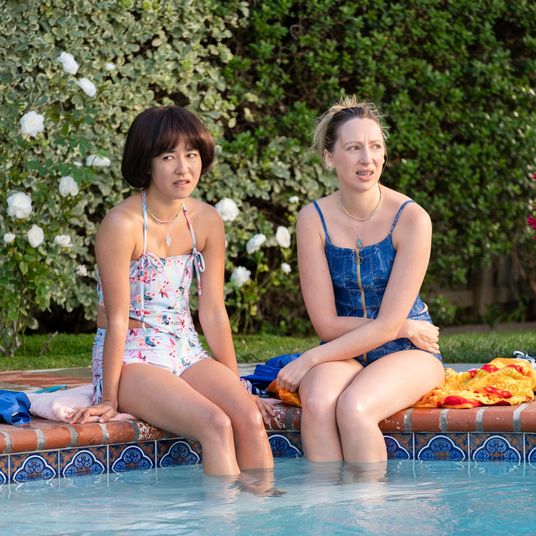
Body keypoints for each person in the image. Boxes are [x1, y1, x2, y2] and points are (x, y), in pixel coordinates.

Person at [69, 105, 274, 477]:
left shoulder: (206, 220)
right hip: (133, 356)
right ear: (147, 163)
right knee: (215, 423)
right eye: (168, 157)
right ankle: (228, 512)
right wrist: (110, 397)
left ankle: (265, 509)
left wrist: (236, 384)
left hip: (185, 348)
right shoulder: (122, 224)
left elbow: (213, 311)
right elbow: (116, 319)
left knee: (247, 416)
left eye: (191, 155)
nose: (183, 168)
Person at [275, 96, 445, 464]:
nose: (367, 159)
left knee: (354, 408)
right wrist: (403, 326)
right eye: (353, 148)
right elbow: (325, 323)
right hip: (345, 349)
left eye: (375, 146)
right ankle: (326, 500)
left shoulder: (412, 219)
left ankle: (368, 501)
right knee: (318, 402)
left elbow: (387, 326)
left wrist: (310, 359)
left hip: (409, 352)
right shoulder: (313, 219)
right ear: (329, 157)